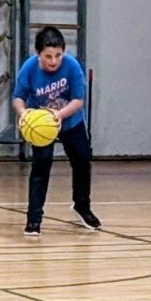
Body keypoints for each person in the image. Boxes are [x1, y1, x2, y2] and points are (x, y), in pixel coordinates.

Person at [13, 27, 98, 236]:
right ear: (38, 54)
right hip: (42, 123)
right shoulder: (29, 69)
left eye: (58, 55)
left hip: (70, 120)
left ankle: (82, 206)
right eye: (48, 56)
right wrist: (24, 114)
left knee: (82, 161)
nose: (53, 61)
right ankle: (34, 219)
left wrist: (59, 115)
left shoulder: (71, 66)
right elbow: (18, 97)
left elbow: (78, 100)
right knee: (40, 168)